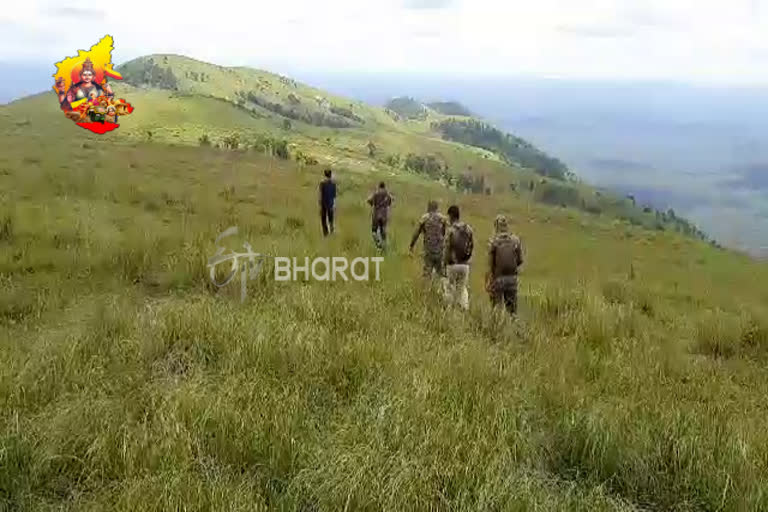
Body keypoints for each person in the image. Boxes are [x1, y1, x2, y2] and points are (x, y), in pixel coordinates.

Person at [486, 214, 524, 315]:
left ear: (496, 227)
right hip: (512, 279)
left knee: (496, 310)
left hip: (498, 279)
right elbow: (520, 260)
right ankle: (514, 328)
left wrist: (489, 281)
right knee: (512, 311)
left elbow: (490, 264)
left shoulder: (493, 241)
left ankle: (497, 329)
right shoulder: (516, 240)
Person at [443, 205, 474, 310]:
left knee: (449, 287)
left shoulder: (451, 230)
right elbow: (471, 245)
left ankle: (449, 309)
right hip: (465, 264)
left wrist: (445, 262)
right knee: (462, 288)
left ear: (451, 216)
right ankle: (463, 308)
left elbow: (447, 248)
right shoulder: (468, 228)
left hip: (452, 264)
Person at [409, 200, 448, 278]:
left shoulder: (425, 218)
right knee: (441, 273)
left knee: (427, 272)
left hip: (428, 249)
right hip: (440, 249)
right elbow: (444, 232)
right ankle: (440, 289)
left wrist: (411, 245)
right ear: (437, 208)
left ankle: (427, 288)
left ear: (428, 208)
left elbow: (416, 233)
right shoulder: (442, 218)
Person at [367, 182, 394, 250]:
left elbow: (369, 200)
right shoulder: (387, 194)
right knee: (383, 232)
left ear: (379, 186)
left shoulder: (376, 193)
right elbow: (390, 202)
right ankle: (384, 247)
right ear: (384, 187)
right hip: (384, 215)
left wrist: (374, 204)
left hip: (376, 214)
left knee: (374, 231)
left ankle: (378, 243)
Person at [319, 169, 337, 236]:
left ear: (324, 174)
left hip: (324, 203)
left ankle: (325, 233)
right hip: (331, 203)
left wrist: (320, 204)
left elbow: (320, 194)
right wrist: (334, 204)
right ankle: (332, 231)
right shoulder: (333, 183)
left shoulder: (322, 183)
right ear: (330, 174)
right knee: (331, 219)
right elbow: (334, 195)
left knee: (323, 220)